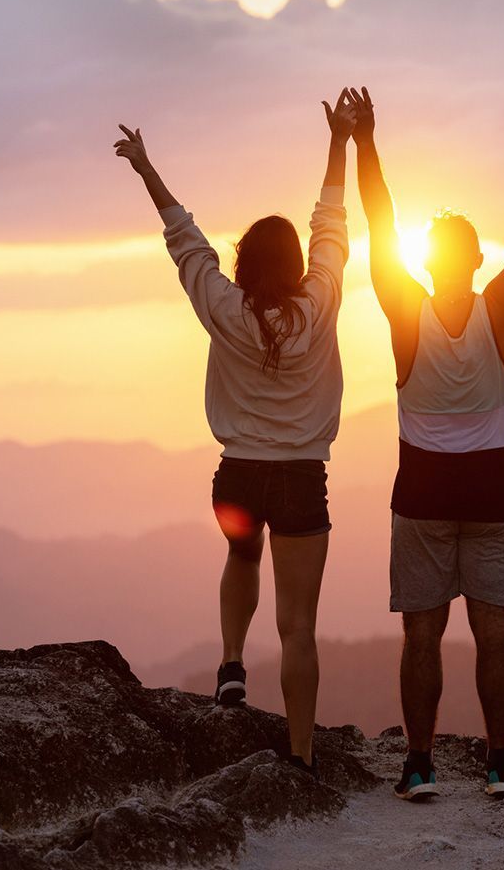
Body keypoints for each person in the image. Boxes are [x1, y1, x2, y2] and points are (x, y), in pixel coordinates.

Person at [350, 86, 504, 800]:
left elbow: (378, 218)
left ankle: (418, 763)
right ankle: (500, 763)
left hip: (420, 501)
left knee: (420, 639)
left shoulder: (402, 313)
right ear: (479, 258)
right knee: (496, 637)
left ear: (424, 261)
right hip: (495, 502)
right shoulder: (502, 310)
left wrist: (366, 141)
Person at [112, 90, 359, 777]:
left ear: (246, 260)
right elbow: (332, 226)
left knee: (242, 559)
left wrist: (145, 166)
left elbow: (184, 239)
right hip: (304, 476)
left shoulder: (224, 308)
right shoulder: (319, 307)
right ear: (296, 262)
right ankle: (302, 755)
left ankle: (229, 663)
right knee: (299, 627)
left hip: (239, 474)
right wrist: (338, 143)